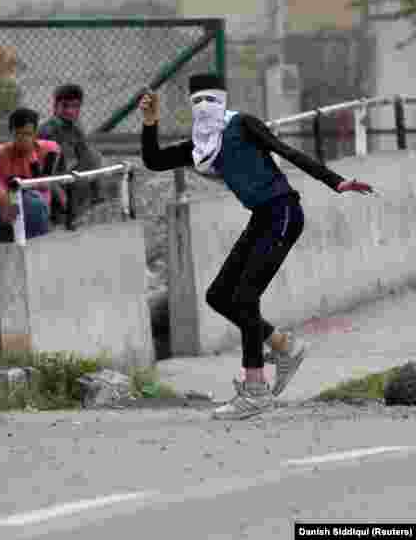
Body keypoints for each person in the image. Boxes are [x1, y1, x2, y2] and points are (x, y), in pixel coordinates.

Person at [139, 73, 373, 420]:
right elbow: (154, 161)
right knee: (219, 295)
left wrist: (336, 182)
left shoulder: (243, 124)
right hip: (261, 219)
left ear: (223, 99)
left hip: (283, 212)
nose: (205, 106)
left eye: (211, 99)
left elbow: (287, 151)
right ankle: (282, 345)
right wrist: (149, 123)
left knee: (245, 299)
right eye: (197, 101)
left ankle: (256, 391)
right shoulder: (201, 145)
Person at [0, 107, 60, 243]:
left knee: (33, 201)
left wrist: (31, 157)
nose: (23, 139)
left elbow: (44, 185)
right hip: (7, 207)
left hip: (37, 207)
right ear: (11, 133)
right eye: (18, 134)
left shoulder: (50, 150)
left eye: (28, 134)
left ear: (35, 133)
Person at [38, 83, 105, 228]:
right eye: (65, 106)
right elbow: (46, 174)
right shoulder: (48, 131)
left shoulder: (75, 129)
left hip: (68, 181)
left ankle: (94, 204)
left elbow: (88, 159)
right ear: (55, 106)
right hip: (48, 184)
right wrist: (64, 200)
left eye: (75, 106)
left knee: (95, 156)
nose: (70, 111)